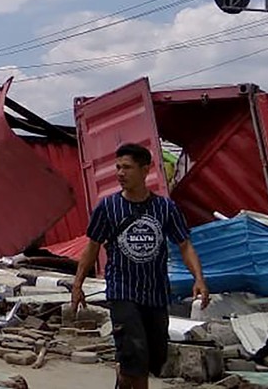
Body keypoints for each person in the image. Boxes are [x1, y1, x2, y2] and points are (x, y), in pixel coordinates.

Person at [70, 143, 209, 389]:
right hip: (123, 291)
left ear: (145, 170)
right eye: (118, 167)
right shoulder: (108, 207)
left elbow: (184, 244)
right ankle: (128, 371)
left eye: (127, 167)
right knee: (136, 356)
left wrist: (199, 279)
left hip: (155, 293)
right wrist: (77, 284)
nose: (120, 173)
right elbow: (92, 247)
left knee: (153, 360)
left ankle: (123, 375)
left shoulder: (165, 208)